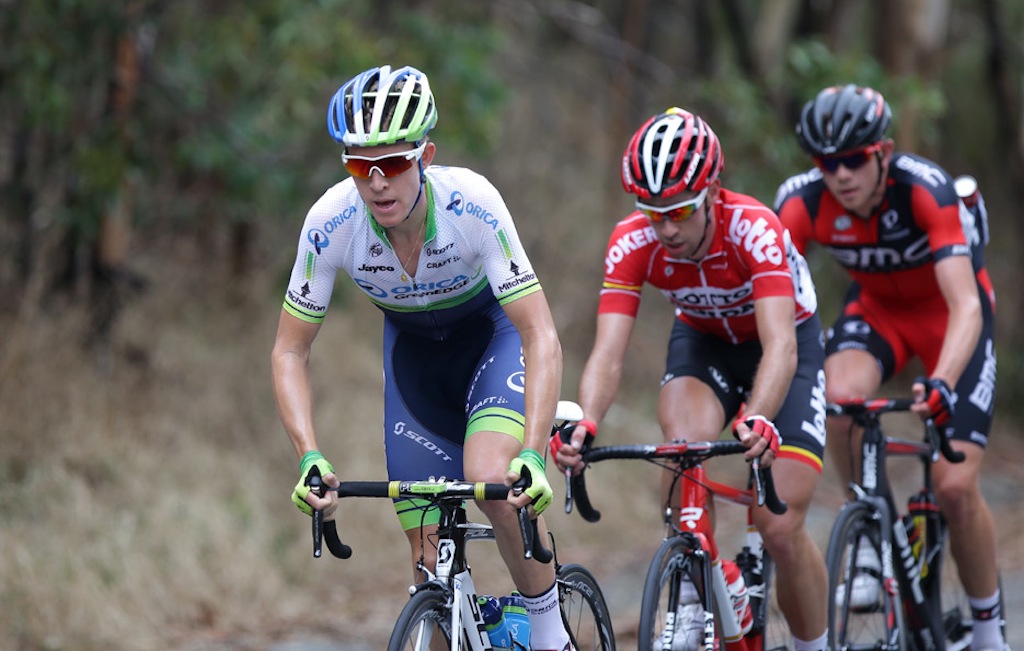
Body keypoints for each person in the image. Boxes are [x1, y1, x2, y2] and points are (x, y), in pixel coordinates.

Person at [271, 65, 573, 651]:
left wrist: (534, 454)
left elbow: (540, 335)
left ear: (426, 155)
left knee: (490, 477)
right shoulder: (331, 223)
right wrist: (308, 454)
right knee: (428, 563)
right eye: (362, 166)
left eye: (395, 164)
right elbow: (289, 350)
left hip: (491, 343)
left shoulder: (474, 205)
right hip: (416, 369)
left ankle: (550, 632)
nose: (378, 183)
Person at [551, 107, 829, 651]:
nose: (667, 227)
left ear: (713, 192)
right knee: (681, 447)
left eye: (679, 210)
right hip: (704, 346)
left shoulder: (755, 229)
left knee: (778, 526)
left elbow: (781, 346)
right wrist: (587, 421)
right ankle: (696, 585)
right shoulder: (633, 241)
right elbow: (609, 353)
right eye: (653, 213)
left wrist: (759, 416)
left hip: (782, 350)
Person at [775, 84, 1006, 649]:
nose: (841, 176)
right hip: (877, 313)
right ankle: (874, 537)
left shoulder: (925, 190)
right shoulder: (800, 202)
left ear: (884, 151)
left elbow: (966, 305)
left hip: (950, 319)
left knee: (954, 487)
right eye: (827, 164)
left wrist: (944, 383)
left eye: (854, 160)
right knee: (838, 400)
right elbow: (776, 306)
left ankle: (987, 626)